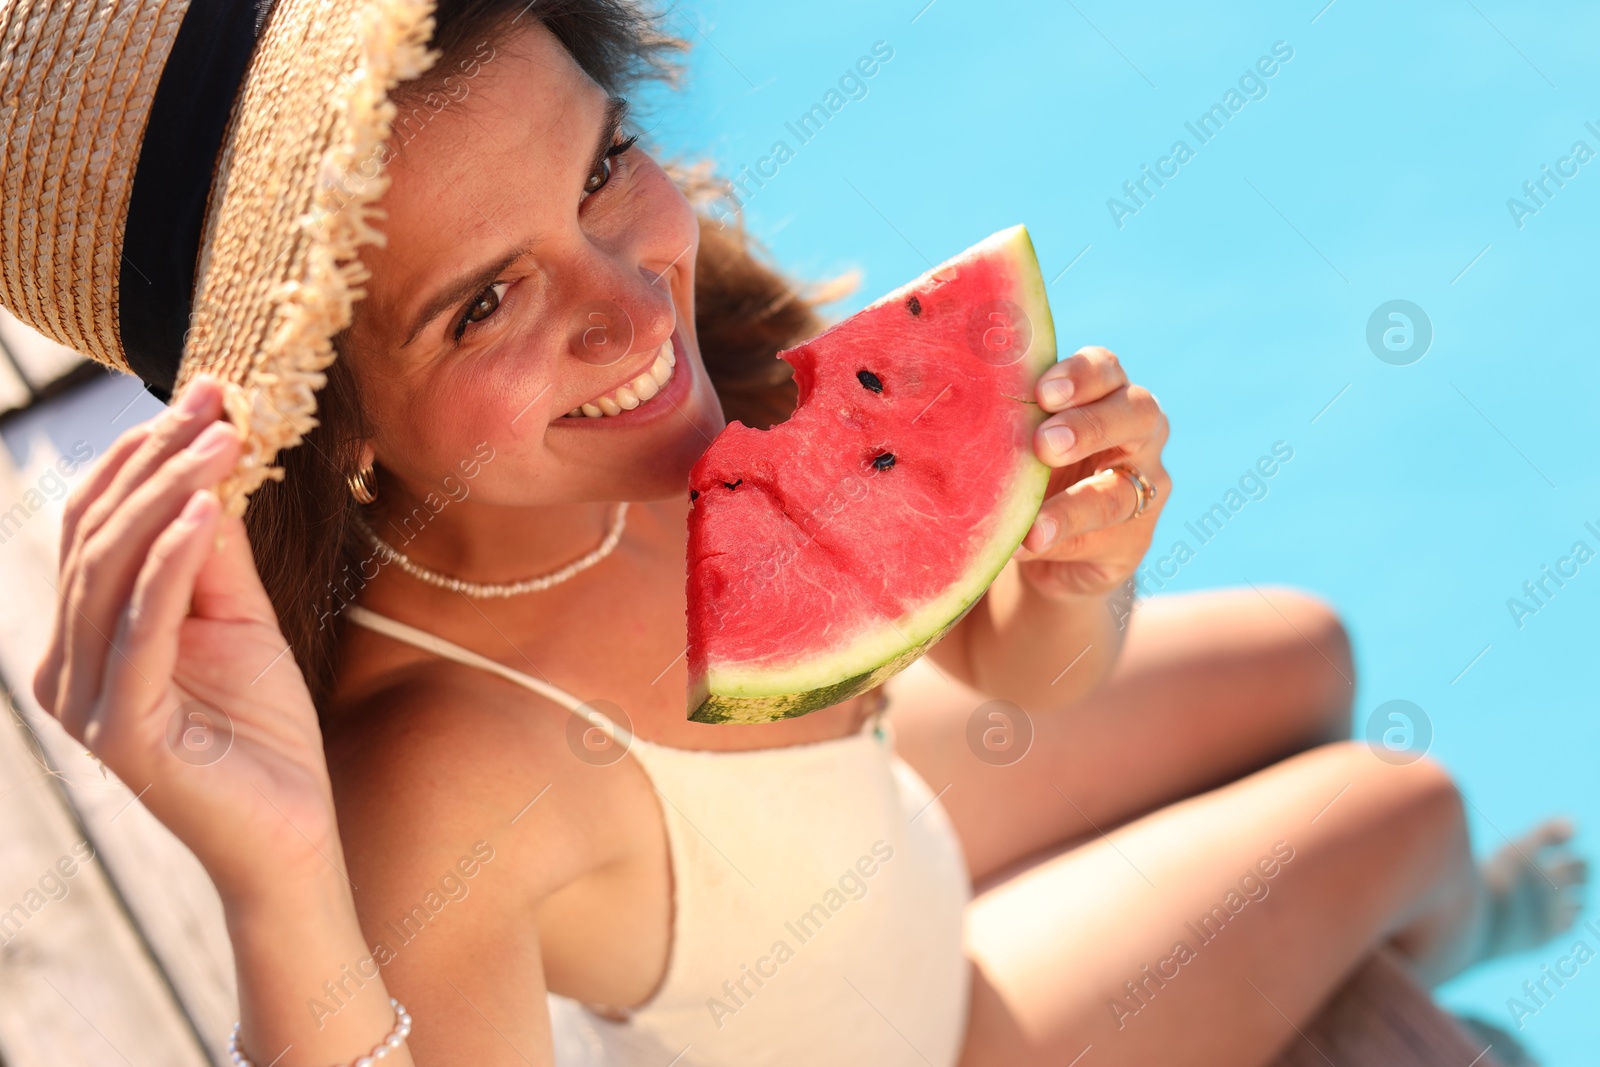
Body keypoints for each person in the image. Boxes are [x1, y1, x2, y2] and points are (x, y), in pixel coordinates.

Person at [5, 1, 1584, 1064]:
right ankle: (1462, 938)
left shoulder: (648, 418)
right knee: (1403, 797)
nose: (634, 306)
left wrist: (1072, 578)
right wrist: (281, 880)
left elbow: (1021, 680)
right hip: (936, 1027)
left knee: (1308, 650)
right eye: (486, 300)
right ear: (330, 423)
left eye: (603, 166)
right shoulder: (444, 776)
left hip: (883, 839)